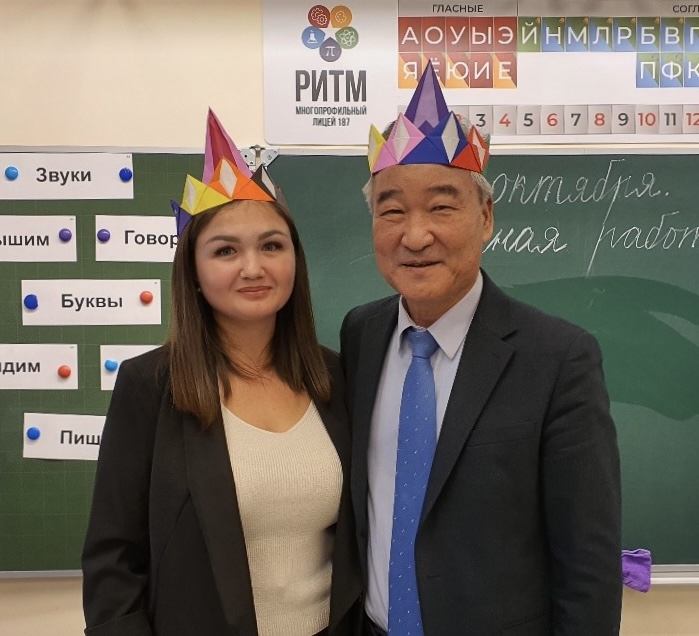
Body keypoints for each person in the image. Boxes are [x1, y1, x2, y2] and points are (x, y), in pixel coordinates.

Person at [340, 63, 622, 635]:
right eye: (392, 211)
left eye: (442, 207)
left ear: (486, 217)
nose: (415, 235)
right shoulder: (360, 335)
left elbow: (588, 564)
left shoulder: (558, 358)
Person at [82, 111, 361, 636]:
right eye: (226, 250)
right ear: (193, 271)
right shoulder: (150, 386)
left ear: (295, 261)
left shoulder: (335, 376)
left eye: (272, 246)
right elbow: (113, 560)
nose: (253, 268)